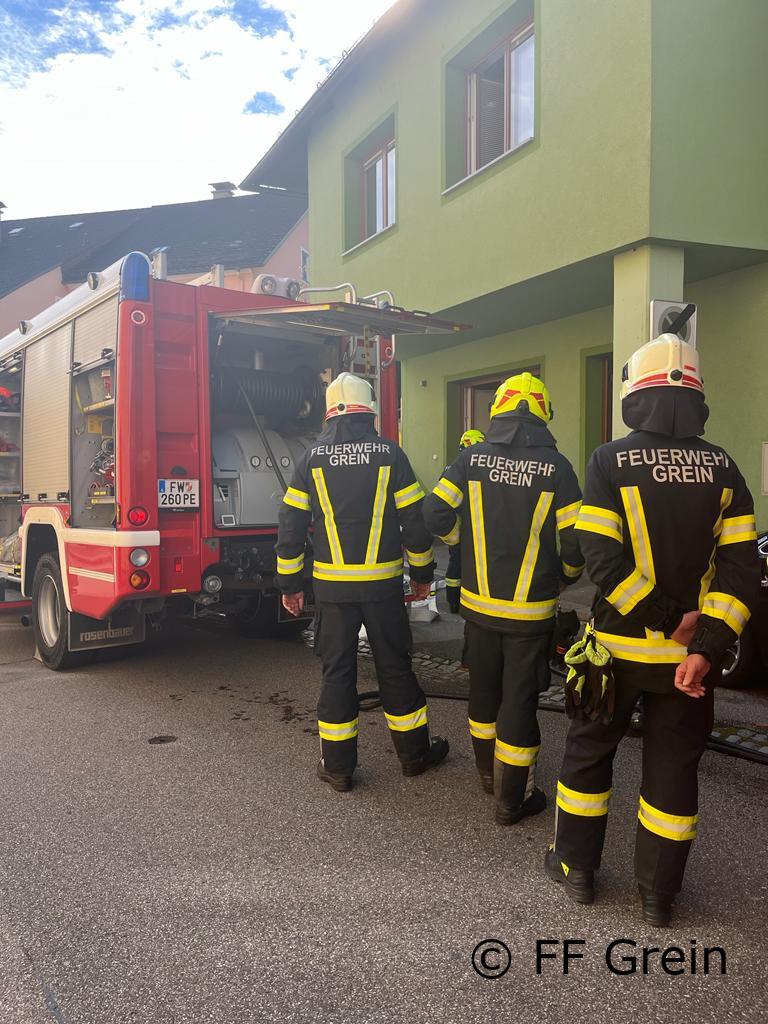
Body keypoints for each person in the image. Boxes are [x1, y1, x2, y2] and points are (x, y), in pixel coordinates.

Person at [545, 332, 758, 927]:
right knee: (673, 769)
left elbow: (602, 561)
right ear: (697, 395)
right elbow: (742, 570)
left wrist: (664, 618)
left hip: (613, 655)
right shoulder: (724, 468)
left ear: (634, 392)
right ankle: (658, 897)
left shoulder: (608, 461)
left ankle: (576, 869)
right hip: (687, 666)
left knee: (588, 756)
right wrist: (705, 645)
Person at [276, 372, 449, 792]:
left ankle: (337, 768)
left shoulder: (311, 458)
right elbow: (415, 522)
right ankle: (414, 756)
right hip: (382, 588)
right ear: (369, 410)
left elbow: (291, 524)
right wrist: (422, 576)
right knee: (395, 668)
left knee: (337, 673)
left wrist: (291, 585)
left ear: (329, 412)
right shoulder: (390, 454)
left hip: (333, 591)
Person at [423, 372, 584, 823]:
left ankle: (487, 776)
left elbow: (433, 512)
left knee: (483, 690)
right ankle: (512, 800)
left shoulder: (470, 459)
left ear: (498, 410)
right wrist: (567, 576)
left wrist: (462, 542)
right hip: (530, 611)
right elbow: (576, 541)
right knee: (518, 700)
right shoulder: (557, 467)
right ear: (543, 413)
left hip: (478, 605)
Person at [444, 429, 485, 614]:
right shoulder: (474, 470)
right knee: (470, 564)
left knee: (457, 563)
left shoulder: (452, 468)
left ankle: (454, 601)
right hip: (470, 527)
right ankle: (466, 601)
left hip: (456, 528)